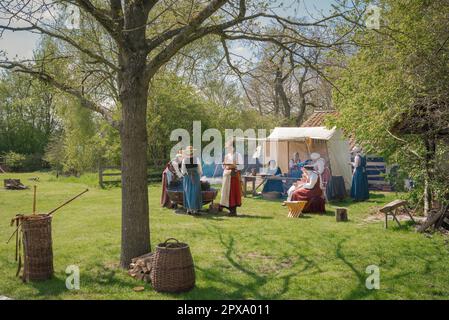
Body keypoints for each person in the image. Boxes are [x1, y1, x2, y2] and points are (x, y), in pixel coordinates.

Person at [220, 140, 244, 216]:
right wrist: (224, 165)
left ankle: (233, 210)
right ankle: (228, 207)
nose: (228, 149)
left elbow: (241, 166)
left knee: (233, 192)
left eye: (229, 147)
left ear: (233, 147)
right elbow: (223, 166)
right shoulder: (227, 156)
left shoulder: (237, 155)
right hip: (226, 175)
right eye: (228, 147)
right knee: (226, 192)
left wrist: (235, 166)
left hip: (234, 175)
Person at [181, 146, 203, 214]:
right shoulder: (197, 159)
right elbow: (199, 169)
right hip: (195, 177)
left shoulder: (184, 160)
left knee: (188, 192)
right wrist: (199, 175)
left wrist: (186, 175)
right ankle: (195, 209)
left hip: (187, 177)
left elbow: (183, 171)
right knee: (195, 192)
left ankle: (189, 209)